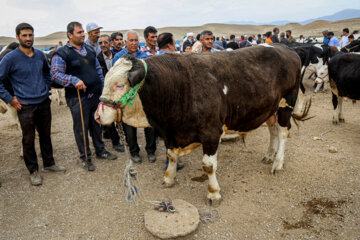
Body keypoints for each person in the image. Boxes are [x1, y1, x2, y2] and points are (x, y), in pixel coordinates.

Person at [0, 23, 66, 185]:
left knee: (45, 135)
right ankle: (33, 170)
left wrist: (46, 87)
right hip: (24, 105)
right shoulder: (10, 58)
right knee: (28, 139)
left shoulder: (39, 55)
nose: (28, 38)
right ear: (17, 37)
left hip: (43, 102)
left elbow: (47, 72)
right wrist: (10, 99)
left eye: (30, 35)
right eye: (24, 35)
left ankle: (49, 164)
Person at [51, 21, 117, 171]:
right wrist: (73, 80)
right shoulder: (62, 53)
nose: (82, 35)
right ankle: (85, 157)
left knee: (96, 124)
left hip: (95, 94)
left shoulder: (89, 49)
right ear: (70, 35)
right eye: (79, 32)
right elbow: (55, 74)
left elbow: (98, 69)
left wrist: (102, 87)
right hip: (78, 98)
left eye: (82, 32)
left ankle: (100, 150)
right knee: (81, 127)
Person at [113, 30, 157, 164]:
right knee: (129, 126)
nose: (133, 43)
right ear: (125, 42)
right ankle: (134, 152)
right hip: (127, 97)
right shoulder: (119, 57)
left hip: (144, 96)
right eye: (131, 40)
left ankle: (151, 151)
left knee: (148, 123)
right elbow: (116, 78)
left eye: (136, 40)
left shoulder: (144, 55)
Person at [156, 33, 185, 171]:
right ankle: (171, 164)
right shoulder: (174, 60)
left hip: (159, 105)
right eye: (174, 43)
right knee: (173, 136)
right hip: (173, 104)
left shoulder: (153, 59)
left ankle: (172, 161)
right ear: (169, 45)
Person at [97, 34, 125, 153]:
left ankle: (125, 138)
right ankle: (116, 142)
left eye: (105, 42)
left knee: (121, 114)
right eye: (100, 43)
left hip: (118, 90)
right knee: (108, 116)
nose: (103, 45)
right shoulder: (97, 58)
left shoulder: (117, 56)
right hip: (105, 91)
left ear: (110, 43)